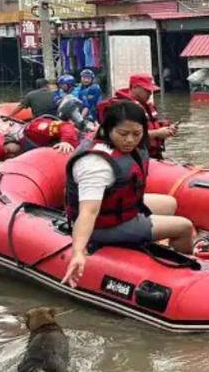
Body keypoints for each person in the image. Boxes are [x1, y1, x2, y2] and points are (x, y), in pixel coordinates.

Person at [60, 100, 196, 288]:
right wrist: (78, 252)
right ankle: (187, 275)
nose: (130, 140)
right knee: (184, 227)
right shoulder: (96, 164)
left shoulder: (125, 146)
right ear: (108, 129)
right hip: (103, 226)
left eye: (137, 134)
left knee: (170, 204)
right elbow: (88, 213)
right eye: (123, 134)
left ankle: (153, 244)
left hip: (120, 209)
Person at [113, 74, 177, 160]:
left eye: (151, 90)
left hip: (152, 155)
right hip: (135, 156)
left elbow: (152, 124)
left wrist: (167, 129)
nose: (150, 93)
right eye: (147, 90)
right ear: (134, 87)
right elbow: (128, 136)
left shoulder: (147, 106)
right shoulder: (124, 107)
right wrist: (158, 133)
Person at [0, 116, 81, 161]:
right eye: (7, 157)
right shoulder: (21, 155)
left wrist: (66, 142)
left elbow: (65, 126)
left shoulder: (33, 131)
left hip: (78, 147)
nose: (11, 155)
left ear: (8, 139)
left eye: (8, 151)